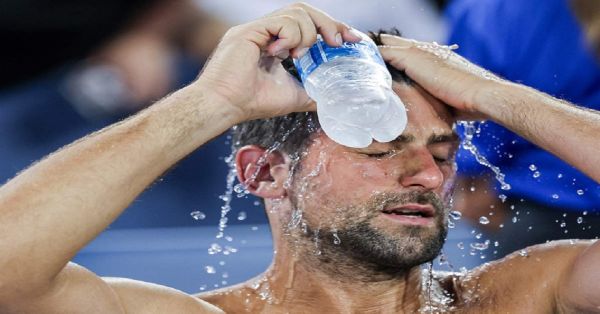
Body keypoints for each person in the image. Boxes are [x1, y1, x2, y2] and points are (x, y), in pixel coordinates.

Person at [0, 3, 599, 313]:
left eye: (443, 155)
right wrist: (211, 101)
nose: (423, 175)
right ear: (264, 172)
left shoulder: (528, 296)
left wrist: (494, 94)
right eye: (381, 148)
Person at [445, 0, 600, 259]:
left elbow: (472, 160)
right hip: (532, 215)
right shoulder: (493, 11)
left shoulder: (492, 11)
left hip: (532, 218)